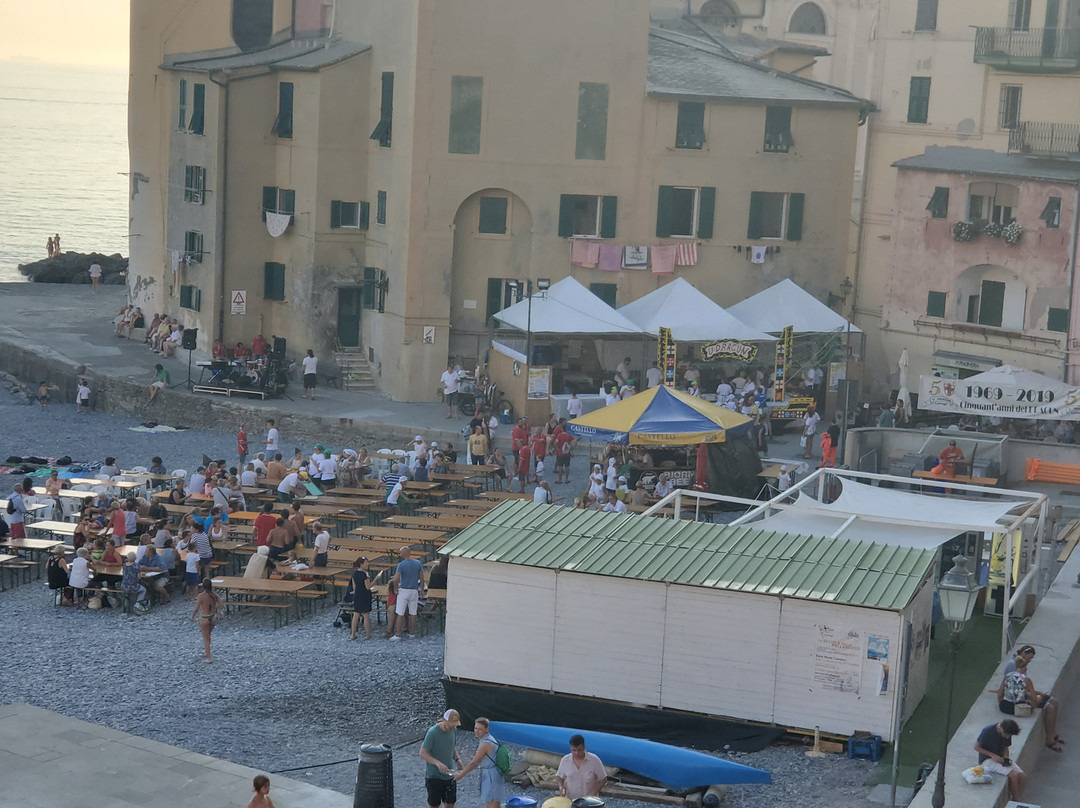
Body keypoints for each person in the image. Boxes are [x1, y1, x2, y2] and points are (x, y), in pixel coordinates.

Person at [995, 656, 1062, 750]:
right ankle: (1050, 737)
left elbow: (999, 694)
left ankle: (1052, 737)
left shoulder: (1007, 676)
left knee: (1048, 703)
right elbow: (1034, 698)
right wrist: (1029, 694)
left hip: (1005, 706)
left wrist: (1002, 702)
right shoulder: (1026, 679)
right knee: (1040, 698)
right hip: (1020, 708)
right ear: (1024, 668)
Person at [454, 716, 504, 808]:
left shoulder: (485, 743)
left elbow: (473, 763)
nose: (476, 731)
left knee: (491, 802)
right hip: (495, 773)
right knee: (496, 802)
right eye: (475, 728)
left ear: (487, 729)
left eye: (480, 729)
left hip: (490, 774)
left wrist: (461, 774)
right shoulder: (489, 739)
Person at [974, 719, 1026, 800]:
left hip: (1000, 758)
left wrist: (1006, 758)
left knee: (1022, 776)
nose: (1008, 737)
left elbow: (1006, 748)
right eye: (1007, 735)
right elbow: (976, 747)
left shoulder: (1007, 732)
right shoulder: (987, 731)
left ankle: (1016, 798)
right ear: (1002, 728)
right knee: (1013, 775)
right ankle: (1016, 800)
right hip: (987, 760)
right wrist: (993, 755)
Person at [420, 710, 463, 808]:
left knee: (450, 803)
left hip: (449, 774)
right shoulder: (432, 733)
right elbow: (422, 753)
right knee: (434, 804)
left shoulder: (453, 730)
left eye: (454, 725)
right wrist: (437, 763)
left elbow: (452, 745)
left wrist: (457, 759)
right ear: (443, 720)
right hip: (434, 776)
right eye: (450, 724)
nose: (451, 727)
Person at [557, 734, 607, 800]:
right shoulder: (565, 760)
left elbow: (603, 779)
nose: (576, 753)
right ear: (570, 748)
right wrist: (561, 787)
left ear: (584, 747)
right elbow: (559, 776)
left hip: (590, 802)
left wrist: (593, 794)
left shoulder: (594, 760)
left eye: (579, 750)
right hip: (571, 800)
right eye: (574, 750)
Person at [391, 545, 425, 640]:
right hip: (414, 590)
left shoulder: (401, 565)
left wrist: (395, 588)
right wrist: (421, 590)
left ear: (403, 553)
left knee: (400, 613)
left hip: (404, 590)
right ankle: (412, 633)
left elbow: (396, 579)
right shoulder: (418, 563)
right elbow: (422, 578)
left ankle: (398, 634)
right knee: (413, 612)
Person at [191, 578, 222, 663]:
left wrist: (193, 616)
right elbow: (221, 604)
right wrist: (215, 609)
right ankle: (206, 651)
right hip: (212, 617)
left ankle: (209, 657)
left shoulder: (201, 596)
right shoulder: (214, 595)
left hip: (205, 617)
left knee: (206, 638)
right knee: (208, 635)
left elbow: (197, 608)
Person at [346, 556, 373, 640]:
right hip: (365, 596)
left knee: (356, 614)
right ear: (361, 564)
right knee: (366, 615)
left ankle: (353, 634)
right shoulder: (365, 574)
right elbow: (368, 587)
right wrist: (375, 580)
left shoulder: (354, 574)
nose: (367, 564)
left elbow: (354, 587)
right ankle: (367, 634)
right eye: (366, 563)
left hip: (357, 595)